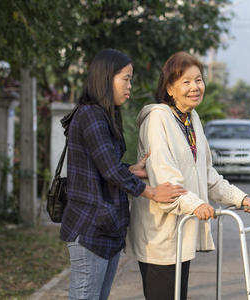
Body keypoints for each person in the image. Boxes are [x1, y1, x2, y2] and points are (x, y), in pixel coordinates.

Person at [126, 51, 250, 300]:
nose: (195, 87)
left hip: (182, 231)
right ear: (170, 88)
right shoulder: (157, 119)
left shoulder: (191, 119)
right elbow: (165, 177)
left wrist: (240, 198)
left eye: (198, 80)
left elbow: (207, 174)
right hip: (160, 234)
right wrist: (196, 204)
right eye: (186, 82)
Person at [60, 48, 187, 300]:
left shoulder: (106, 114)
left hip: (107, 226)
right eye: (125, 78)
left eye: (131, 79)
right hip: (90, 227)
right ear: (106, 77)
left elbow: (102, 165)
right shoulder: (90, 114)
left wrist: (129, 169)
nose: (129, 85)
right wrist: (152, 192)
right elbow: (108, 168)